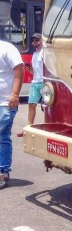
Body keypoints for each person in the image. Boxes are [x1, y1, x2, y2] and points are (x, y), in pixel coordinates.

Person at [0, 37, 24, 188]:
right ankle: (3, 171)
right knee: (2, 137)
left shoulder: (7, 49)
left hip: (5, 103)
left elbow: (19, 69)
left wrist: (15, 94)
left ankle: (2, 172)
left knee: (2, 135)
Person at [25, 33, 44, 130]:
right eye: (33, 41)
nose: (34, 42)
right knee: (31, 104)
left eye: (37, 40)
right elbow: (36, 72)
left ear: (42, 40)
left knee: (48, 107)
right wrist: (30, 71)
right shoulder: (35, 54)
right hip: (35, 82)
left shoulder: (44, 53)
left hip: (44, 83)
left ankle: (48, 125)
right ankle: (29, 126)